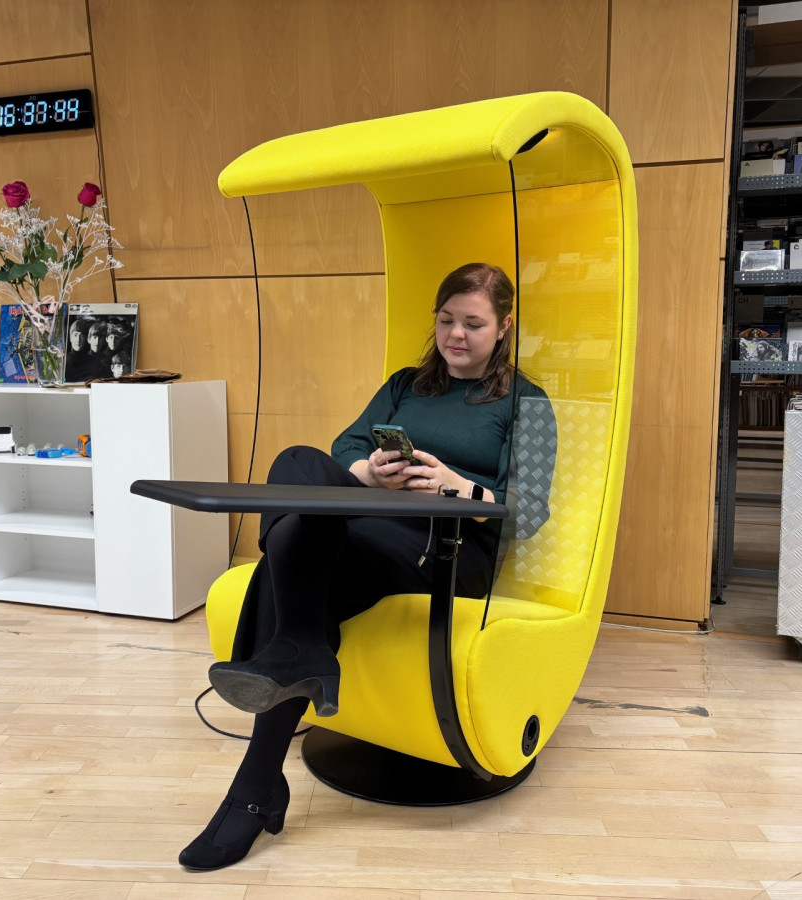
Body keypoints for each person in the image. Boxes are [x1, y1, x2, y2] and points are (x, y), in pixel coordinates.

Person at [179, 262, 552, 871]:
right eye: (446, 321)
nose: (456, 335)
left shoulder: (525, 402)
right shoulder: (407, 384)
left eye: (474, 324)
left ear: (505, 326)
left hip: (449, 547)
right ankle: (300, 654)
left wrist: (454, 485)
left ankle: (255, 786)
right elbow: (346, 447)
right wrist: (372, 473)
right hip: (372, 522)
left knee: (294, 560)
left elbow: (529, 510)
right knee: (298, 462)